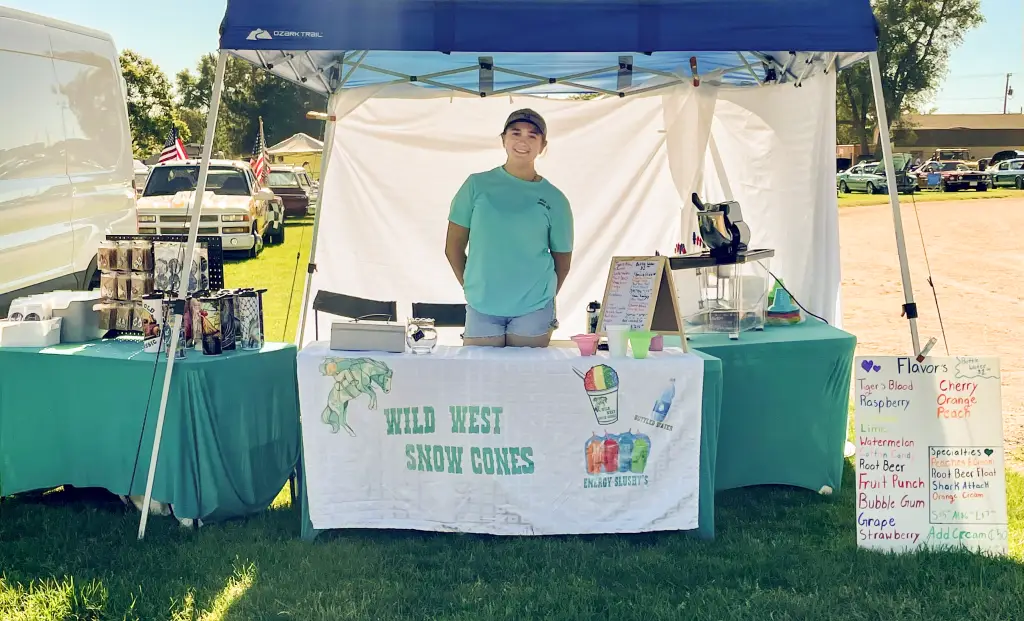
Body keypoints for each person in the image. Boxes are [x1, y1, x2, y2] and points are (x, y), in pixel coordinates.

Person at [445, 109, 574, 348]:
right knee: (480, 378)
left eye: (532, 135)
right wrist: (473, 287)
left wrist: (542, 295)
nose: (523, 140)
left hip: (533, 308)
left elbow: (563, 261)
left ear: (543, 145)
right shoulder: (476, 185)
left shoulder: (555, 199)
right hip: (482, 305)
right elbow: (453, 247)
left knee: (527, 380)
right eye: (516, 133)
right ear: (503, 139)